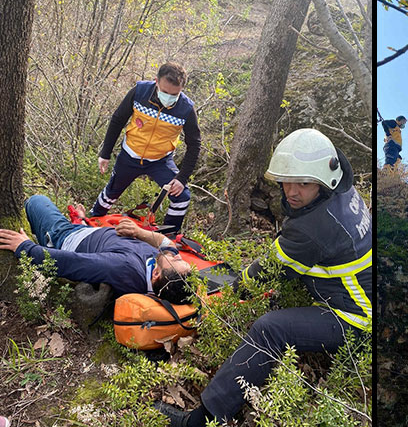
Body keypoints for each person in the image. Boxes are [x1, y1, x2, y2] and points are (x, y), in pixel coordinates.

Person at [155, 128, 372, 426]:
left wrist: (226, 285)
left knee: (271, 329)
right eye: (286, 182)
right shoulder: (340, 187)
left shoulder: (313, 228)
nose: (292, 192)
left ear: (322, 181)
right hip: (363, 293)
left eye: (303, 184)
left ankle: (202, 419)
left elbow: (263, 274)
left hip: (357, 318)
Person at [0, 195, 192, 303]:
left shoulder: (123, 268)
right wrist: (139, 232)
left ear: (156, 275)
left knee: (36, 201)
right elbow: (168, 244)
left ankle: (51, 234)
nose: (177, 257)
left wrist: (26, 247)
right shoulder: (165, 268)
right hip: (92, 233)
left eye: (176, 261)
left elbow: (69, 263)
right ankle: (81, 220)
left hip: (66, 238)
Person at [91, 62, 201, 233]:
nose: (168, 97)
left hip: (160, 161)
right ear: (156, 81)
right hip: (130, 155)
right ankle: (91, 220)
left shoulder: (186, 108)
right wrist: (105, 153)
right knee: (110, 194)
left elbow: (194, 144)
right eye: (165, 92)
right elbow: (117, 120)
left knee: (182, 197)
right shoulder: (140, 92)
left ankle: (167, 236)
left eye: (174, 94)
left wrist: (181, 178)